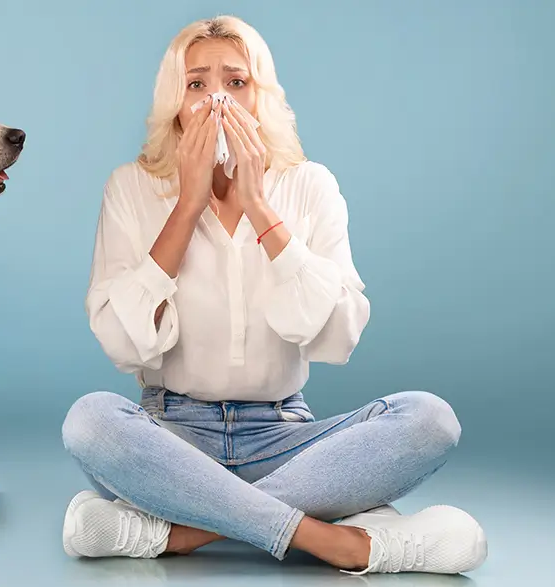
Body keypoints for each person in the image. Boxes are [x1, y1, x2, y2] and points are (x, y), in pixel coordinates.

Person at [59, 15, 487, 576]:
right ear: (174, 102)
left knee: (430, 419)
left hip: (288, 438)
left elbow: (339, 334)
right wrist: (187, 206)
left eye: (236, 82)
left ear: (261, 96)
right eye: (196, 84)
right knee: (90, 421)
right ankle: (340, 542)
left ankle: (186, 533)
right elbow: (122, 345)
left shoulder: (310, 184)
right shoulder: (132, 187)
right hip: (170, 442)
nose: (217, 100)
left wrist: (260, 206)